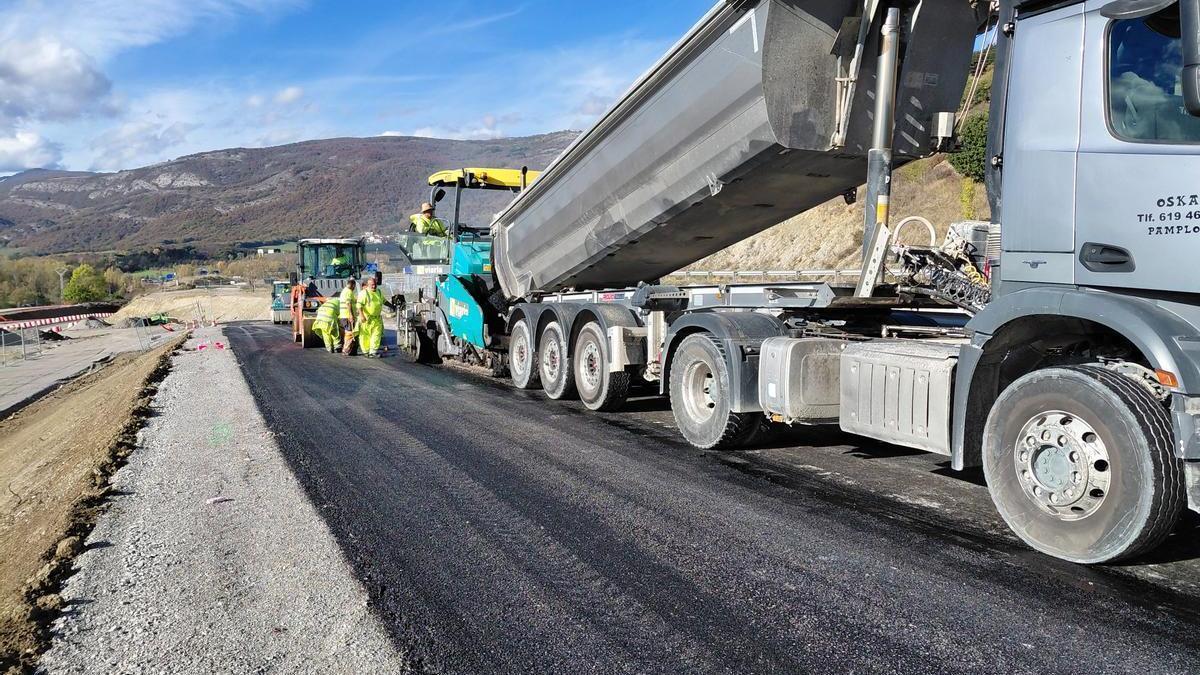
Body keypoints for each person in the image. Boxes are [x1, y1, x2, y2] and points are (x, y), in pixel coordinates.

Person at [357, 276, 386, 358]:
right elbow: (359, 305)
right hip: (367, 319)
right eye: (372, 285)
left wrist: (392, 306)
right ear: (367, 285)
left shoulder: (379, 292)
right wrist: (362, 315)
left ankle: (373, 352)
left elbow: (384, 301)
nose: (374, 286)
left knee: (376, 335)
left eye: (375, 284)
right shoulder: (364, 293)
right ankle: (366, 351)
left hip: (377, 319)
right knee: (365, 335)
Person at [338, 278, 358, 355]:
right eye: (354, 286)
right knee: (349, 333)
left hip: (344, 315)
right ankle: (346, 350)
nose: (354, 288)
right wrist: (351, 315)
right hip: (347, 315)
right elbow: (348, 303)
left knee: (348, 332)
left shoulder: (344, 291)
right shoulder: (349, 292)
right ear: (352, 285)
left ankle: (349, 350)